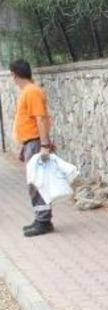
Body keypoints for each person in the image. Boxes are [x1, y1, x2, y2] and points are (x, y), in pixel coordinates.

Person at [11, 59, 55, 237]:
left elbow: (40, 119)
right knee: (34, 182)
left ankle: (43, 221)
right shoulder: (29, 91)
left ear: (15, 74)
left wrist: (44, 145)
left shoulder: (32, 92)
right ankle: (41, 218)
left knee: (37, 182)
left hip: (35, 142)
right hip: (31, 142)